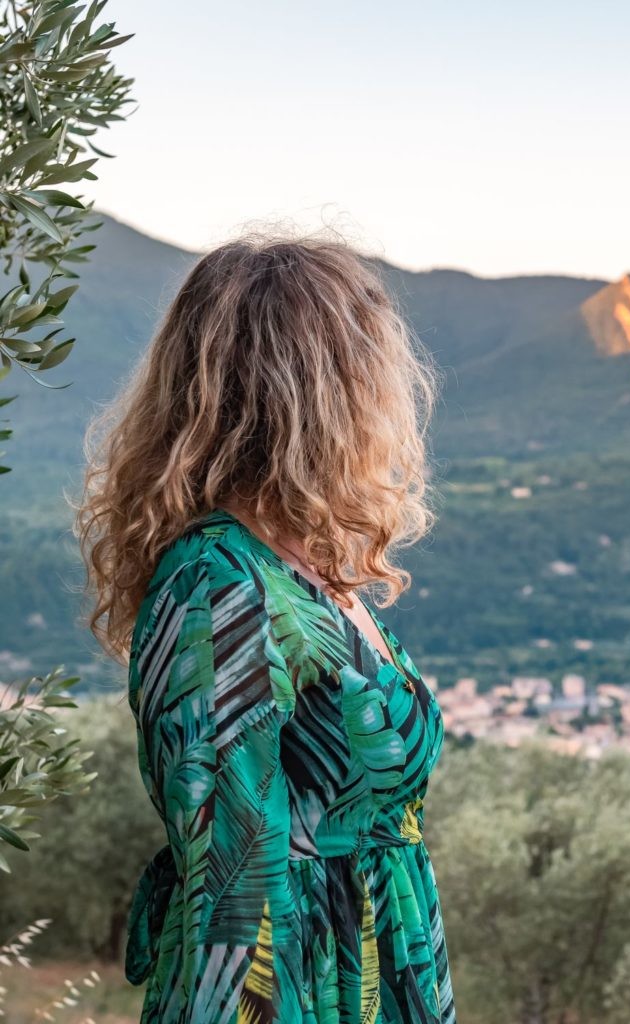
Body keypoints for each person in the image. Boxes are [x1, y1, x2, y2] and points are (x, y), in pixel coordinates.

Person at [72, 232, 457, 1024]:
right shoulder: (221, 583)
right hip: (303, 997)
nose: (389, 391)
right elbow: (232, 895)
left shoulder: (306, 566)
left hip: (372, 979)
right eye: (370, 365)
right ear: (322, 387)